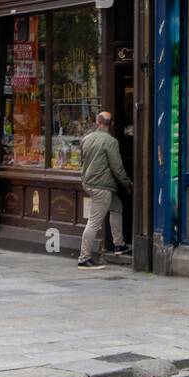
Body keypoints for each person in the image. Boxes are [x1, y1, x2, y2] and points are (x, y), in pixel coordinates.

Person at [77, 111, 131, 270]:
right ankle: (84, 258)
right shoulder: (111, 142)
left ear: (97, 122)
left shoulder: (86, 139)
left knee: (116, 207)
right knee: (94, 222)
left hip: (89, 183)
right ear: (111, 124)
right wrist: (127, 183)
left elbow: (82, 161)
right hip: (101, 186)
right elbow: (117, 167)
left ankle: (119, 245)